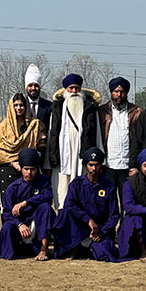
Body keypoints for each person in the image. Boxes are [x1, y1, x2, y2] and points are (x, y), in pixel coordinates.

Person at [53, 147, 120, 261]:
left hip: (100, 230)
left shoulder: (109, 187)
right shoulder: (77, 184)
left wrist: (101, 232)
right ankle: (75, 248)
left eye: (97, 165)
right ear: (86, 165)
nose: (94, 168)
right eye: (91, 165)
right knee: (64, 213)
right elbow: (69, 205)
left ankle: (88, 247)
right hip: (80, 227)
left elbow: (114, 215)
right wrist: (88, 220)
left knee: (104, 254)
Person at [46, 73, 102, 209]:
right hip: (62, 159)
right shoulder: (57, 108)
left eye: (77, 88)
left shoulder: (90, 108)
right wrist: (50, 160)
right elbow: (52, 134)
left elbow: (98, 134)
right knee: (63, 193)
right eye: (71, 88)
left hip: (83, 158)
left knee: (83, 196)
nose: (74, 92)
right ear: (66, 90)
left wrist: (100, 159)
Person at [0, 92, 47, 216]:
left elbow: (41, 146)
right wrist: (13, 162)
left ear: (26, 106)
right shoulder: (3, 127)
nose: (18, 108)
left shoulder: (35, 125)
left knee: (30, 204)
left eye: (21, 105)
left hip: (30, 170)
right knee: (9, 206)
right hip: (7, 170)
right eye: (15, 105)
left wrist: (28, 161)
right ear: (11, 107)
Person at [0, 148, 54, 260]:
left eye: (32, 169)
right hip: (21, 224)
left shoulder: (44, 181)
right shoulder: (13, 188)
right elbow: (7, 213)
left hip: (37, 223)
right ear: (21, 169)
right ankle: (13, 250)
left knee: (45, 208)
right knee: (7, 226)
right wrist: (19, 224)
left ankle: (43, 249)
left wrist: (26, 203)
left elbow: (47, 197)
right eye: (26, 169)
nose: (29, 172)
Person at [98, 76, 141, 211]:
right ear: (111, 92)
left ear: (126, 93)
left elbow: (140, 139)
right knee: (107, 202)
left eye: (122, 91)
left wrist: (135, 165)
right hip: (108, 166)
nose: (119, 95)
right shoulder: (102, 112)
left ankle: (125, 230)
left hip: (127, 167)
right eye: (116, 91)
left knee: (127, 203)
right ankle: (108, 231)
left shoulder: (136, 112)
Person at [24, 63, 52, 130]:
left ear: (40, 87)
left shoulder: (49, 106)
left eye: (36, 86)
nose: (33, 88)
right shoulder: (22, 105)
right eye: (30, 85)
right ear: (26, 88)